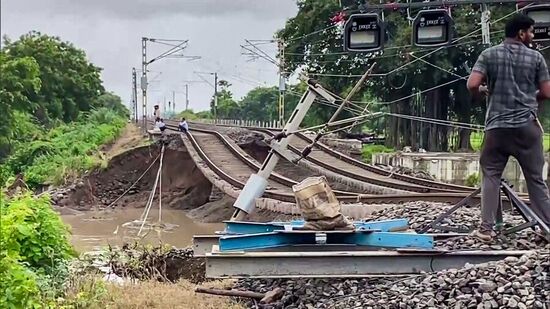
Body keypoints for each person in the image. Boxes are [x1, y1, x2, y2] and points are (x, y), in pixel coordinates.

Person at [467, 14, 550, 241]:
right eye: (531, 31)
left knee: (491, 175)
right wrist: (529, 98)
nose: (532, 36)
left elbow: (473, 84)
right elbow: (546, 92)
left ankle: (486, 229)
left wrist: (483, 91)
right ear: (521, 33)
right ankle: (547, 228)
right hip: (527, 127)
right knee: (535, 179)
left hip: (497, 127)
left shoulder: (489, 54)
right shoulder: (536, 58)